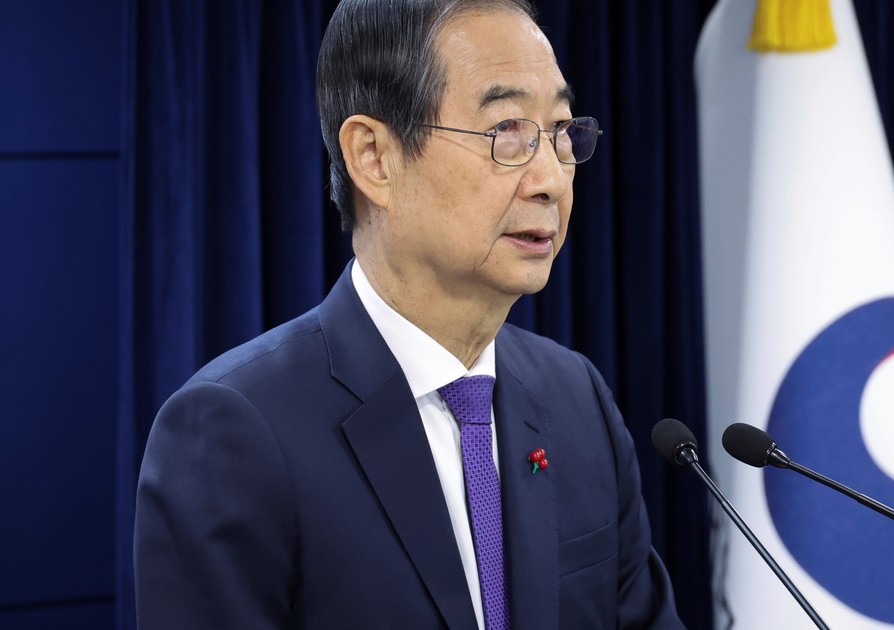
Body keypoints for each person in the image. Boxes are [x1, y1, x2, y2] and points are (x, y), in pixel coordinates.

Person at [133, 0, 685, 628]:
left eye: (560, 131)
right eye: (506, 130)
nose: (552, 181)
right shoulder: (233, 433)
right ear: (374, 157)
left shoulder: (576, 398)